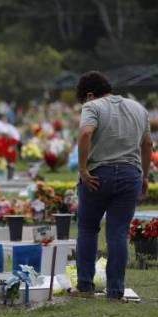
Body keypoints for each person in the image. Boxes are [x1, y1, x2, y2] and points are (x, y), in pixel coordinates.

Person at [75, 70, 153, 300]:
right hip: (131, 175)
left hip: (99, 174)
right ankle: (116, 290)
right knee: (118, 233)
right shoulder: (138, 108)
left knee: (88, 228)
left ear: (90, 95)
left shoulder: (93, 106)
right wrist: (146, 177)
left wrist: (82, 169)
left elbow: (86, 133)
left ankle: (85, 286)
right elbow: (147, 143)